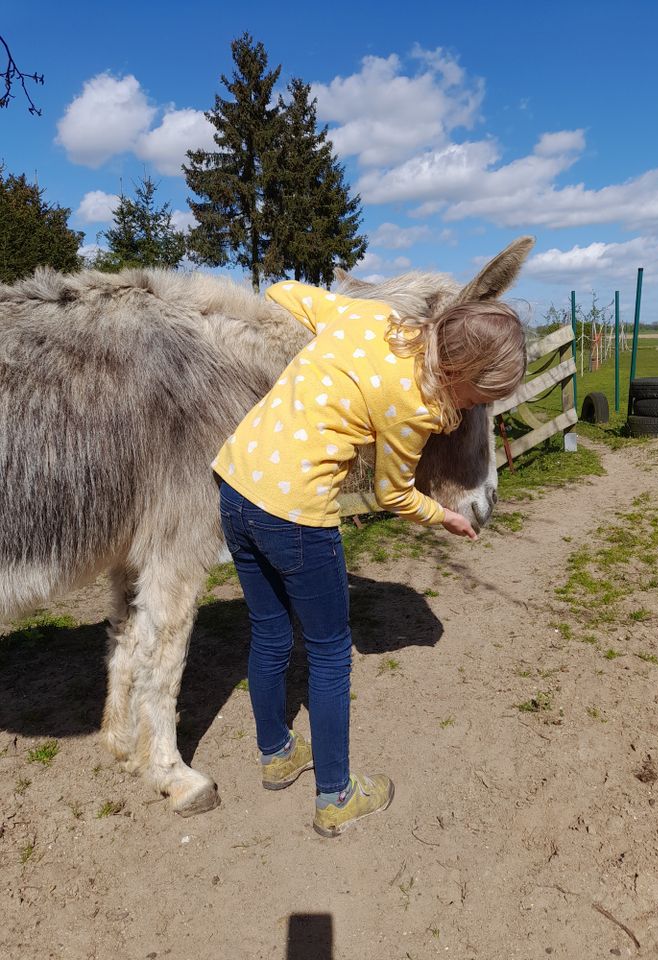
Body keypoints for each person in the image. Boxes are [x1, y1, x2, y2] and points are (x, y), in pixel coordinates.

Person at [213, 280, 526, 837]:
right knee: (331, 653)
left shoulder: (371, 319)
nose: (473, 409)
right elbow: (392, 494)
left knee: (268, 632)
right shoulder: (418, 406)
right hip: (296, 513)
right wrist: (443, 516)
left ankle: (277, 753)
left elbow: (291, 295)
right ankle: (335, 795)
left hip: (236, 484)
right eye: (479, 399)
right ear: (460, 376)